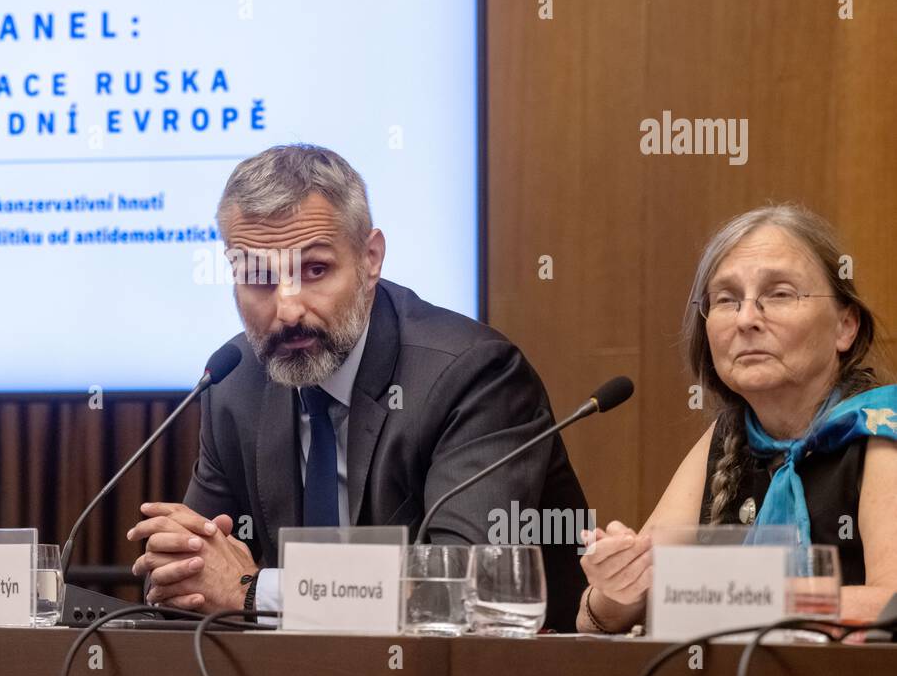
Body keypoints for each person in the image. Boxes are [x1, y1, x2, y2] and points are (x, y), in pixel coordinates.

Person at [128, 143, 591, 630]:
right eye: (259, 277)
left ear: (371, 258)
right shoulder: (235, 380)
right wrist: (179, 567)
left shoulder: (473, 375)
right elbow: (190, 582)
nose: (287, 310)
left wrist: (255, 592)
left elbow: (461, 590)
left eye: (315, 270)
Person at [577, 204, 897, 633]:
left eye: (780, 294)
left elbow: (892, 601)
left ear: (845, 325)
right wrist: (618, 585)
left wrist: (750, 596)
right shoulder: (729, 437)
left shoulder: (881, 427)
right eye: (726, 300)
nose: (746, 319)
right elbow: (597, 622)